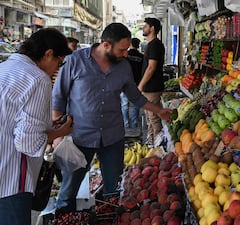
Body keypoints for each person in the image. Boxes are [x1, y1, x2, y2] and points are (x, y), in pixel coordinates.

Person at [52, 23, 171, 213]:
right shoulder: (75, 61)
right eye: (122, 49)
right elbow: (58, 97)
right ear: (106, 45)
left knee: (113, 192)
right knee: (68, 192)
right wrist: (57, 137)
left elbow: (135, 96)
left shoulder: (123, 67)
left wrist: (158, 110)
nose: (126, 54)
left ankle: (107, 218)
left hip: (112, 139)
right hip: (79, 139)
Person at [0, 28, 73, 225]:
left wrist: (47, 127)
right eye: (59, 63)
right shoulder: (37, 78)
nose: (57, 69)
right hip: (11, 179)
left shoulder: (5, 69)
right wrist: (60, 132)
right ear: (48, 54)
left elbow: (12, 120)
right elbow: (27, 141)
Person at [138, 17, 166, 145]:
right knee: (150, 118)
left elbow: (151, 68)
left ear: (152, 28)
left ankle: (158, 146)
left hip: (152, 88)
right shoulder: (151, 44)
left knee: (154, 118)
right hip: (149, 88)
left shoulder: (155, 45)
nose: (143, 28)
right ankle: (151, 143)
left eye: (146, 26)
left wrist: (141, 85)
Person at [121, 38, 144, 129]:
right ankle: (134, 126)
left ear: (130, 44)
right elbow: (143, 71)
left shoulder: (126, 55)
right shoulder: (141, 57)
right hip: (137, 84)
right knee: (135, 105)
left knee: (124, 105)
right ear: (138, 45)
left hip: (125, 84)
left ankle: (126, 125)